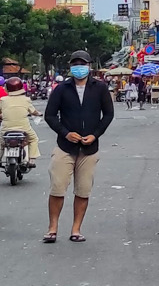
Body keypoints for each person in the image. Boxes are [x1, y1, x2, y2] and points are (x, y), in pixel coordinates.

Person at [42, 50, 113, 243]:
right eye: (75, 64)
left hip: (89, 149)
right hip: (64, 147)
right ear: (71, 67)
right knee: (57, 188)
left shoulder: (100, 88)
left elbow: (108, 115)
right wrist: (65, 133)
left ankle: (76, 229)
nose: (79, 67)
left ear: (90, 66)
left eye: (82, 64)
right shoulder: (61, 89)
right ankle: (52, 228)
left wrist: (95, 134)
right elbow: (49, 115)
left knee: (83, 191)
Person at [0, 76, 41, 164]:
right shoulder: (26, 100)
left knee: (0, 141)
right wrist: (38, 113)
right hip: (24, 129)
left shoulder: (3, 100)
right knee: (34, 139)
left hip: (6, 129)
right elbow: (33, 111)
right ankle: (31, 160)